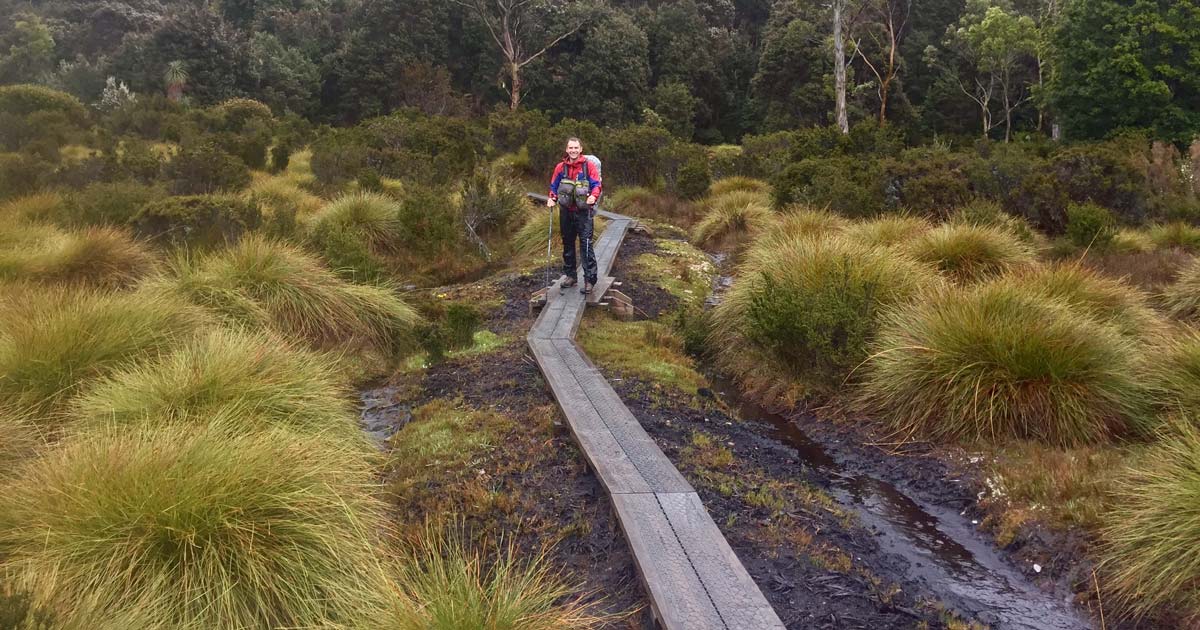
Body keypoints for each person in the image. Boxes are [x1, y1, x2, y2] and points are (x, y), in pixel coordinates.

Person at [546, 137, 602, 293]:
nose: (573, 150)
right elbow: (554, 186)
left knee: (585, 245)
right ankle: (570, 276)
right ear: (566, 150)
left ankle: (589, 280)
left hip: (584, 212)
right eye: (570, 148)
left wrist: (593, 197)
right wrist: (552, 198)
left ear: (581, 149)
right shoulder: (560, 168)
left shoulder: (588, 166)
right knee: (568, 243)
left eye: (576, 148)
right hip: (566, 212)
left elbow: (596, 184)